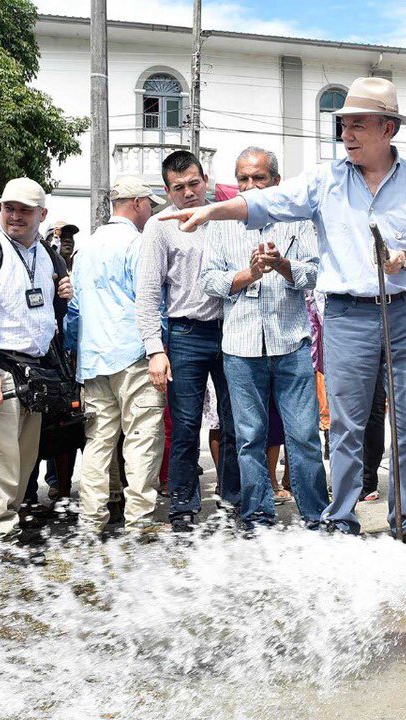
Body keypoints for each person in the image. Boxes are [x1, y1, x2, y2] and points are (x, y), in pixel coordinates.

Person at [162, 77, 406, 545]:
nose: (347, 134)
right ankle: (341, 519)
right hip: (346, 316)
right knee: (345, 425)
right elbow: (266, 202)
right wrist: (211, 212)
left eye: (358, 124)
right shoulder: (326, 180)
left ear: (389, 128)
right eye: (343, 125)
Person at [200, 146, 329, 530]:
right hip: (240, 347)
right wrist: (249, 274)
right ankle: (257, 514)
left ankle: (315, 515)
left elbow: (316, 273)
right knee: (249, 437)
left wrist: (284, 266)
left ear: (276, 181)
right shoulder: (222, 224)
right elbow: (209, 281)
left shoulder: (298, 220)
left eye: (259, 178)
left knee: (304, 437)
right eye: (243, 179)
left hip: (291, 343)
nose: (251, 186)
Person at [0, 177, 72, 547]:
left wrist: (62, 296)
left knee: (22, 455)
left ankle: (10, 523)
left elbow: (39, 312)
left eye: (24, 210)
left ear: (42, 214)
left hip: (33, 369)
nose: (15, 216)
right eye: (9, 208)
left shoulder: (44, 253)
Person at [135, 150, 240, 533]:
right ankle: (182, 504)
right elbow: (147, 292)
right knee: (184, 425)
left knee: (234, 421)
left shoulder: (224, 217)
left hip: (230, 331)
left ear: (206, 180)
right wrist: (154, 350)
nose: (189, 193)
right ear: (167, 190)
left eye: (194, 183)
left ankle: (233, 498)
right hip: (185, 334)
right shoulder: (160, 225)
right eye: (179, 187)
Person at [67, 176, 167, 533]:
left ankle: (91, 520)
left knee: (98, 442)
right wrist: (160, 347)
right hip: (133, 354)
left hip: (93, 359)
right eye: (149, 205)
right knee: (141, 438)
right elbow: (150, 300)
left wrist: (77, 349)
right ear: (138, 203)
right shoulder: (138, 244)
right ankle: (139, 521)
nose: (150, 212)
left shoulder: (86, 248)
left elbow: (74, 310)